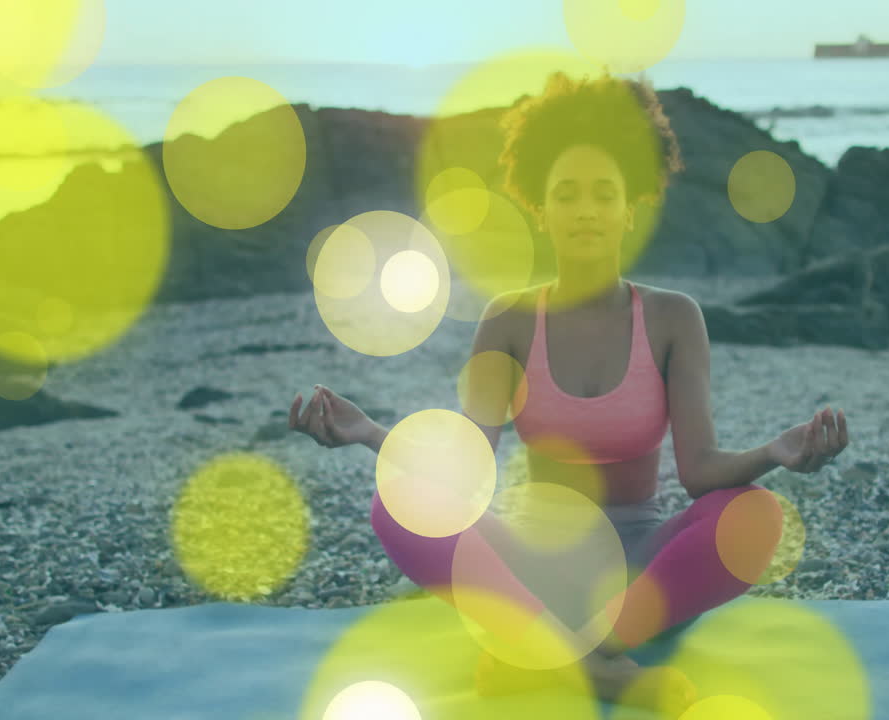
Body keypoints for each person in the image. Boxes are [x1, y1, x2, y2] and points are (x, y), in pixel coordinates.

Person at [289, 69, 849, 717]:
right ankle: (601, 673)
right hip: (532, 564)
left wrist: (775, 452)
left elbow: (701, 475)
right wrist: (369, 434)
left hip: (642, 574)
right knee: (395, 507)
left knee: (758, 517)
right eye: (568, 193)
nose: (586, 209)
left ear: (631, 204)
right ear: (541, 206)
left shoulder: (673, 318)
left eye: (603, 193)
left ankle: (543, 654)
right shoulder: (509, 318)